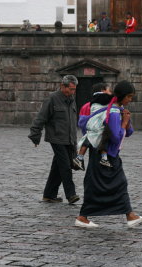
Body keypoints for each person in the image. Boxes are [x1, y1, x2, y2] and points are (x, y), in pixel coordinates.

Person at [75, 80, 142, 228]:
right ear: (121, 96)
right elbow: (116, 136)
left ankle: (128, 215)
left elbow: (129, 133)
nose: (130, 100)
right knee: (117, 183)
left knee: (102, 182)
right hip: (106, 154)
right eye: (129, 96)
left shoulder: (119, 110)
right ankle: (128, 215)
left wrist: (127, 121)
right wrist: (124, 122)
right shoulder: (114, 112)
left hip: (108, 153)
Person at [28, 75, 80, 204]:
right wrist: (35, 136)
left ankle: (49, 194)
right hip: (56, 138)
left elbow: (73, 122)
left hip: (69, 139)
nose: (73, 92)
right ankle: (71, 194)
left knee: (57, 167)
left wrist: (74, 141)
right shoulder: (52, 99)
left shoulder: (72, 99)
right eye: (71, 89)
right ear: (63, 86)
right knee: (65, 166)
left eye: (74, 89)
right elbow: (41, 118)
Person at [73, 83, 113, 171]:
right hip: (97, 126)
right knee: (101, 140)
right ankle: (102, 158)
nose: (111, 93)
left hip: (94, 127)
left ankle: (81, 158)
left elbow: (82, 123)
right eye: (109, 91)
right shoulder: (102, 98)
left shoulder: (91, 102)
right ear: (103, 91)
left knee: (90, 140)